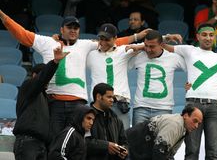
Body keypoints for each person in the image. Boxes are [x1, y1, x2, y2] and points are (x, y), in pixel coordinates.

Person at [0, 9, 143, 139]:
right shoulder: (47, 42)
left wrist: (136, 37)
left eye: (76, 27)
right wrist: (3, 16)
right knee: (54, 140)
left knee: (77, 142)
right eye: (69, 27)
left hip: (78, 104)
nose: (73, 30)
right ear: (61, 29)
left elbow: (112, 42)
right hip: (54, 102)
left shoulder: (86, 44)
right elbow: (22, 35)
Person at [162, 23, 217, 160]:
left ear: (215, 37)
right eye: (204, 35)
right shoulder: (189, 50)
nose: (208, 38)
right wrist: (169, 37)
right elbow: (159, 44)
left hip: (215, 107)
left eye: (211, 35)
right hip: (193, 104)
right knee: (192, 151)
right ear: (197, 36)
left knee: (213, 152)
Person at [13, 45, 69, 160]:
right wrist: (55, 62)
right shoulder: (28, 86)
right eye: (46, 77)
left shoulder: (45, 97)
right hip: (27, 141)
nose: (47, 81)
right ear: (34, 76)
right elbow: (42, 79)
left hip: (42, 144)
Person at [87, 23, 146, 129]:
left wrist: (166, 37)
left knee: (123, 139)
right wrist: (58, 39)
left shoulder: (124, 50)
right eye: (101, 38)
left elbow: (152, 44)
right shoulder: (91, 54)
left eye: (107, 39)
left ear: (115, 39)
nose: (103, 42)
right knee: (99, 139)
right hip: (98, 104)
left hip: (119, 103)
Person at [128, 30, 186, 126]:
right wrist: (138, 47)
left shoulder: (173, 58)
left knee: (162, 141)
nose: (148, 49)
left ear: (161, 45)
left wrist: (190, 84)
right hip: (141, 107)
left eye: (152, 47)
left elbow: (193, 65)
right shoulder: (139, 56)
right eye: (145, 46)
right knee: (137, 140)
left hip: (164, 108)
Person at [126, 104, 203, 160]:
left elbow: (167, 154)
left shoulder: (183, 128)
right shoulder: (175, 125)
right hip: (128, 148)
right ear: (186, 115)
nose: (196, 126)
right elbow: (159, 151)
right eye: (195, 121)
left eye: (199, 124)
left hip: (137, 149)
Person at [86, 83, 128, 160]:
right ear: (98, 97)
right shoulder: (86, 117)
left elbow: (124, 142)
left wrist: (125, 150)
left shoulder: (116, 119)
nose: (112, 100)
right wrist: (106, 146)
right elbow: (83, 142)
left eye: (113, 97)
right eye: (109, 97)